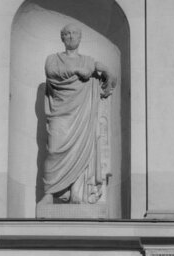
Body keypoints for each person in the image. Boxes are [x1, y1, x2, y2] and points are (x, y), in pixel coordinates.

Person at [40, 23, 116, 205]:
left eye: (75, 33)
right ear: (62, 38)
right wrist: (76, 70)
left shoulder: (88, 61)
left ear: (80, 38)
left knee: (83, 150)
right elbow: (52, 72)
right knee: (54, 149)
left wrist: (104, 69)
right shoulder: (53, 59)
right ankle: (50, 193)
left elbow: (110, 79)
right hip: (60, 113)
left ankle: (77, 193)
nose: (71, 36)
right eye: (67, 33)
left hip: (82, 114)